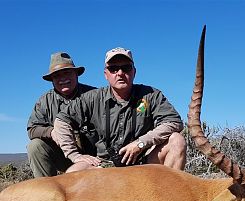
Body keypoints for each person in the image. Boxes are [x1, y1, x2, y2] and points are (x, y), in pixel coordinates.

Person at [54, 47, 186, 172]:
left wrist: (140, 143)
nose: (120, 73)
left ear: (134, 72)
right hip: (103, 165)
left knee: (177, 141)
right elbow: (61, 121)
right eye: (113, 69)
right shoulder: (92, 98)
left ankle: (165, 194)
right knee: (73, 172)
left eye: (126, 68)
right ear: (106, 74)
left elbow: (174, 122)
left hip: (144, 163)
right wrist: (74, 155)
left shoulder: (151, 95)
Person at [27, 52, 97, 177]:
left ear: (76, 74)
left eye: (67, 73)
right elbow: (32, 129)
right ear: (52, 80)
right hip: (64, 157)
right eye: (57, 76)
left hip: (93, 157)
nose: (62, 79)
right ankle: (46, 190)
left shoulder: (94, 95)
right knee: (35, 146)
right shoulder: (44, 101)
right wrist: (52, 132)